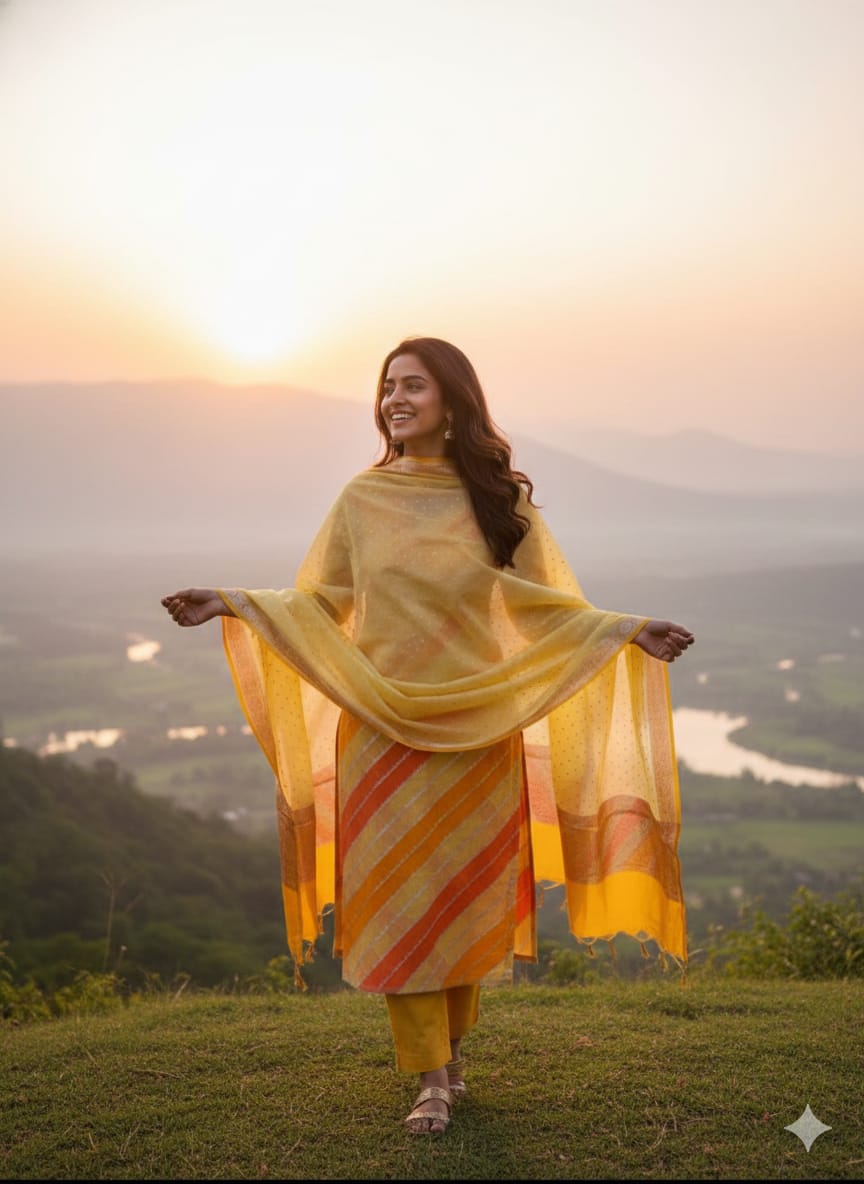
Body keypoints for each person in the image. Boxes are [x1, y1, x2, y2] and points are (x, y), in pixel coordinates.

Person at [161, 336, 694, 1136]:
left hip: (480, 733)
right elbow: (320, 602)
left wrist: (627, 630)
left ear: (453, 400)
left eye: (412, 386)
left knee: (459, 900)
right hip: (381, 728)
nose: (394, 400)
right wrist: (232, 602)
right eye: (386, 388)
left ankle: (450, 1053)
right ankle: (433, 1080)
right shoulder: (362, 499)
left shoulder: (499, 500)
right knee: (395, 906)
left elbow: (545, 608)